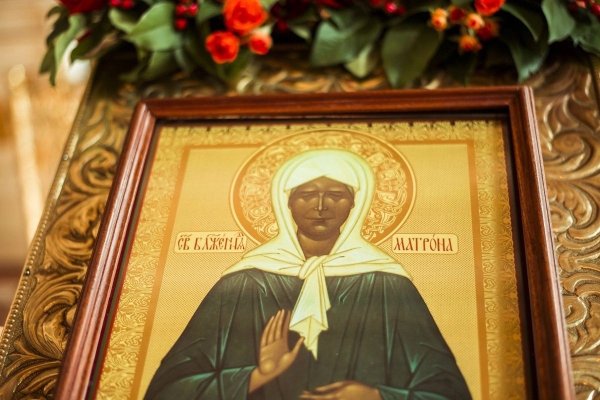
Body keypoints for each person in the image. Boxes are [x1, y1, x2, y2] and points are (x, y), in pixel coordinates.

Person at [145, 149, 471, 400]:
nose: (320, 206)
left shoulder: (389, 285)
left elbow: (448, 391)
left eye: (336, 195)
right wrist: (256, 376)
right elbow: (167, 390)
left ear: (355, 204)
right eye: (306, 194)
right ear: (285, 202)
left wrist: (375, 396)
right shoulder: (242, 284)